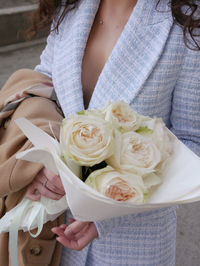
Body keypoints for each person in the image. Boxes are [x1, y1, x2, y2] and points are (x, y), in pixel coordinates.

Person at [24, 0, 200, 265]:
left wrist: (109, 208)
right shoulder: (70, 7)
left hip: (134, 243)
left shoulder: (188, 24)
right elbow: (45, 81)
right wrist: (40, 164)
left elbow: (193, 141)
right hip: (51, 233)